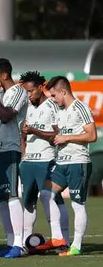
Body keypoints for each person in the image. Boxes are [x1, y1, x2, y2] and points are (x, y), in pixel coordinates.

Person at [40, 76, 98, 256]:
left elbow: (92, 136)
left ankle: (77, 246)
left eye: (54, 95)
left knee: (77, 204)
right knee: (45, 194)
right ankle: (58, 237)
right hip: (61, 163)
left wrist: (67, 138)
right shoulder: (60, 110)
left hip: (77, 163)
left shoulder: (80, 108)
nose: (53, 99)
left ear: (64, 92)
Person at [19, 71, 70, 249]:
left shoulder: (52, 106)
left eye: (31, 91)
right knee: (27, 201)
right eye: (26, 91)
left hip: (46, 160)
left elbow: (59, 134)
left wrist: (36, 131)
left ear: (40, 88)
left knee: (51, 198)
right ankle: (26, 242)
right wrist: (23, 155)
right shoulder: (27, 108)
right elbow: (23, 134)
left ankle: (62, 239)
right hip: (28, 163)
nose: (29, 95)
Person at [0, 58, 29, 258]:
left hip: (9, 150)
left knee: (11, 194)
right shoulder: (2, 94)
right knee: (0, 198)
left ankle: (19, 245)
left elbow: (6, 116)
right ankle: (10, 241)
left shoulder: (18, 91)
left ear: (4, 75)